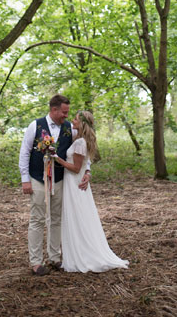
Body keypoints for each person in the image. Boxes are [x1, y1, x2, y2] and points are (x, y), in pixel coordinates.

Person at [19, 94, 91, 276]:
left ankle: (55, 257)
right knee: (37, 219)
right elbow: (25, 152)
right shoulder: (35, 126)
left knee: (57, 218)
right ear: (54, 110)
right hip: (37, 179)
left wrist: (87, 171)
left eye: (68, 113)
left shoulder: (71, 129)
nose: (66, 116)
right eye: (64, 112)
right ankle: (35, 262)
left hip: (59, 180)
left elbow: (83, 152)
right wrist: (25, 179)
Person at [54, 110, 129, 273]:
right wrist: (87, 173)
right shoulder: (78, 138)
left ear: (82, 124)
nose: (72, 121)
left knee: (78, 218)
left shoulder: (80, 142)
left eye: (75, 119)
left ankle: (84, 255)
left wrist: (57, 158)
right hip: (74, 183)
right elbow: (84, 164)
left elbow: (75, 168)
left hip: (75, 184)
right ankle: (76, 252)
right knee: (78, 217)